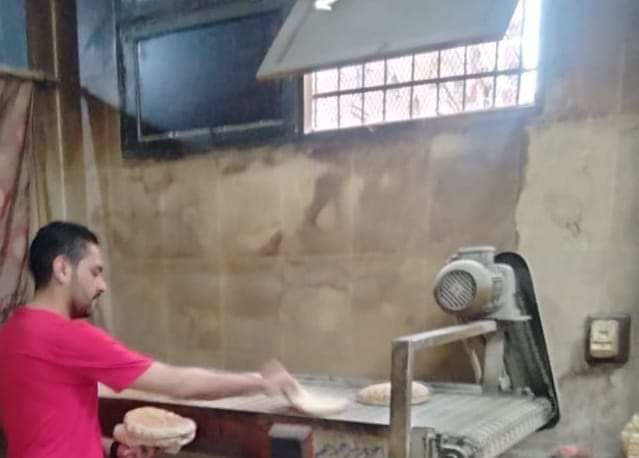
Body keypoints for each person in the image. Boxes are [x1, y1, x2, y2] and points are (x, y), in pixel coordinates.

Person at [0, 221, 300, 458]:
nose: (102, 285)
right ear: (63, 269)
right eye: (95, 272)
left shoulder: (10, 333)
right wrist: (260, 383)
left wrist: (112, 449)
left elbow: (44, 434)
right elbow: (179, 384)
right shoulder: (69, 337)